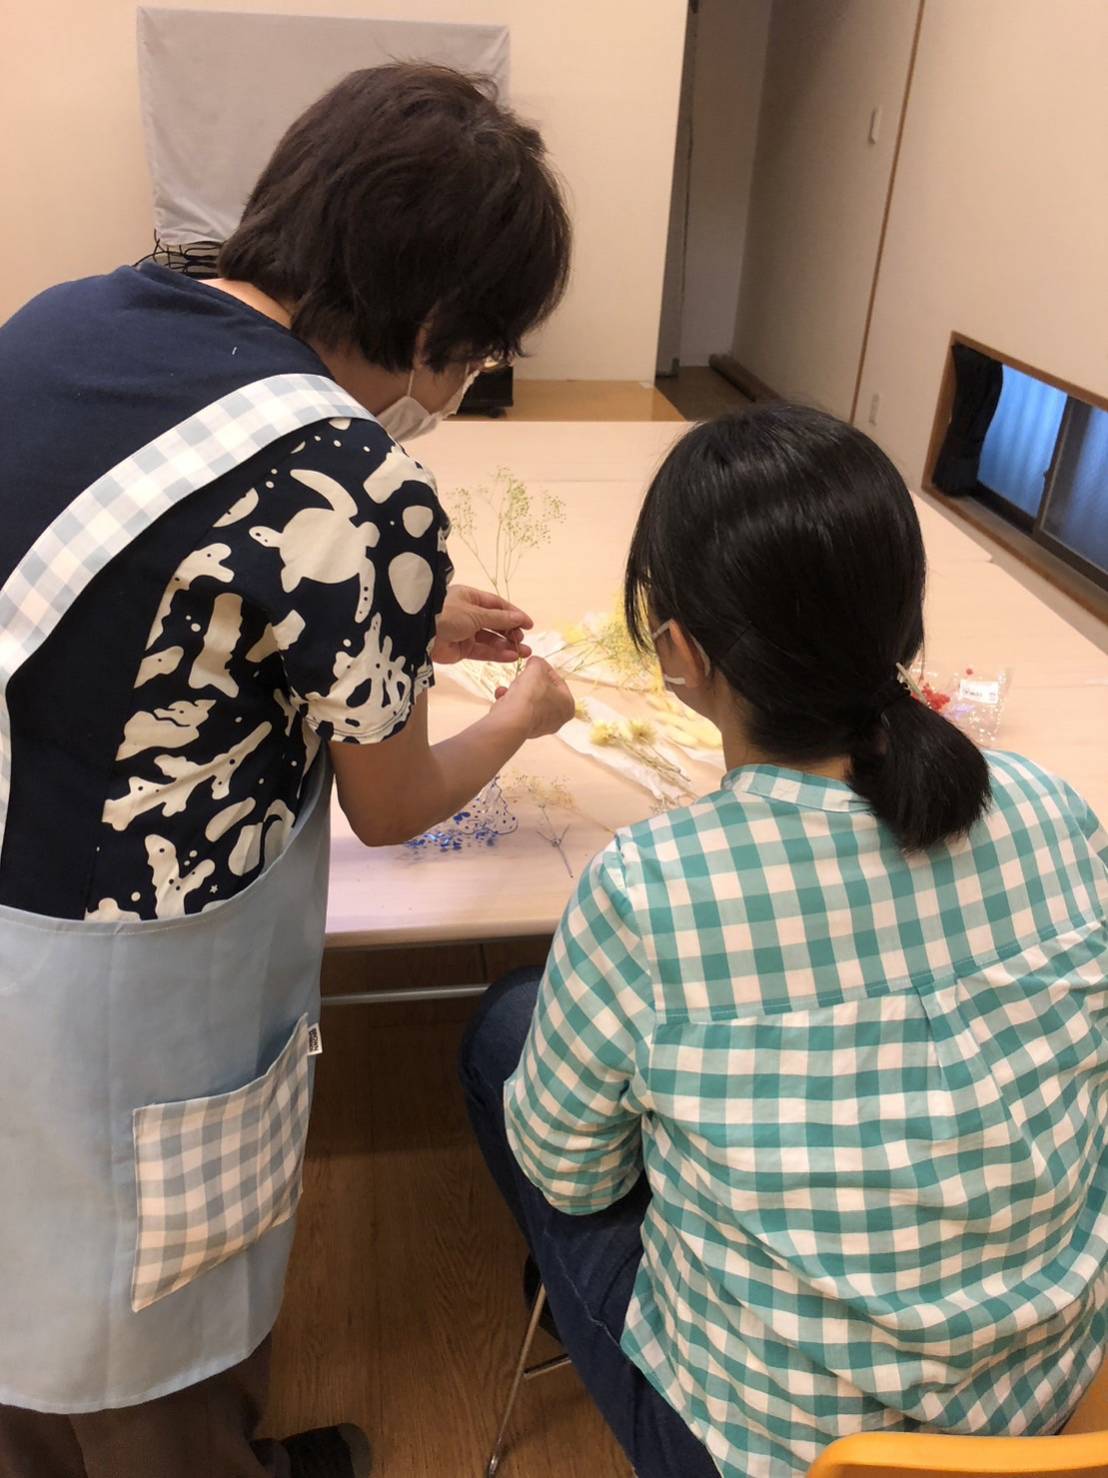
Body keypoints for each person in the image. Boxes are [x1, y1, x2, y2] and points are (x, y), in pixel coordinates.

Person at [0, 64, 574, 1478]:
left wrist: (394, 616)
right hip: (129, 964)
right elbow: (391, 803)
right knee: (141, 1307)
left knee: (27, 1271)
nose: (465, 383)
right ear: (434, 329)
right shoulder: (356, 477)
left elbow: (161, 583)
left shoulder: (64, 321)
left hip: (21, 841)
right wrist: (520, 716)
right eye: (478, 353)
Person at [461, 405, 1108, 1478]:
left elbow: (572, 1177)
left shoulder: (650, 888)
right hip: (1049, 1408)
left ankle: (601, 1303)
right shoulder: (1051, 806)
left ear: (678, 653)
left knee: (502, 1029)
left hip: (775, 1452)